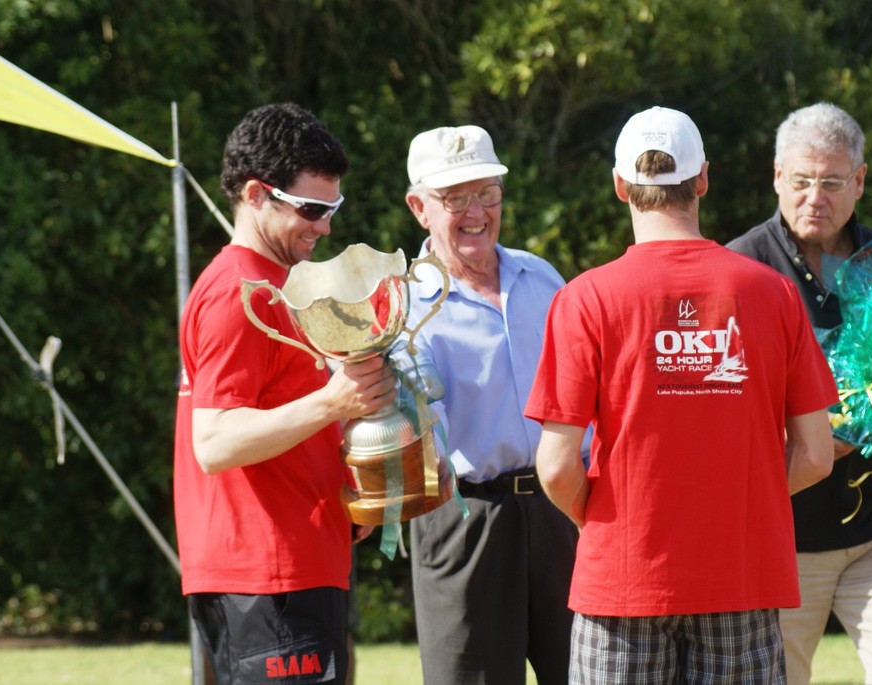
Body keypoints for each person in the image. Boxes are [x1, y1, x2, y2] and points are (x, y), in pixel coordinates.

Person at [524, 105, 838, 684]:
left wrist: (602, 520)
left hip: (621, 583)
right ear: (703, 180)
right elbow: (817, 455)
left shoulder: (585, 299)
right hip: (740, 579)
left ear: (620, 185)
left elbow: (555, 465)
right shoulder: (774, 294)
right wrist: (748, 500)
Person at [727, 102, 872, 685]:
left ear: (859, 181)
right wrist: (821, 434)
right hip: (782, 540)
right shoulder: (738, 270)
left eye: (831, 182)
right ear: (776, 177)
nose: (814, 196)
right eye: (801, 181)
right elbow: (719, 414)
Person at [173, 102, 396, 685]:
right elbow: (215, 441)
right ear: (255, 195)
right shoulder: (239, 293)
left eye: (333, 208)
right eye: (312, 209)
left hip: (293, 567)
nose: (325, 226)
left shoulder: (280, 285)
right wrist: (334, 402)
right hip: (265, 576)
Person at [401, 124, 585, 685]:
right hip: (464, 521)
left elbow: (584, 396)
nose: (476, 212)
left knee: (586, 674)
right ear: (419, 207)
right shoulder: (401, 307)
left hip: (562, 511)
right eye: (455, 198)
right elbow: (415, 434)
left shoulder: (542, 278)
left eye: (486, 194)